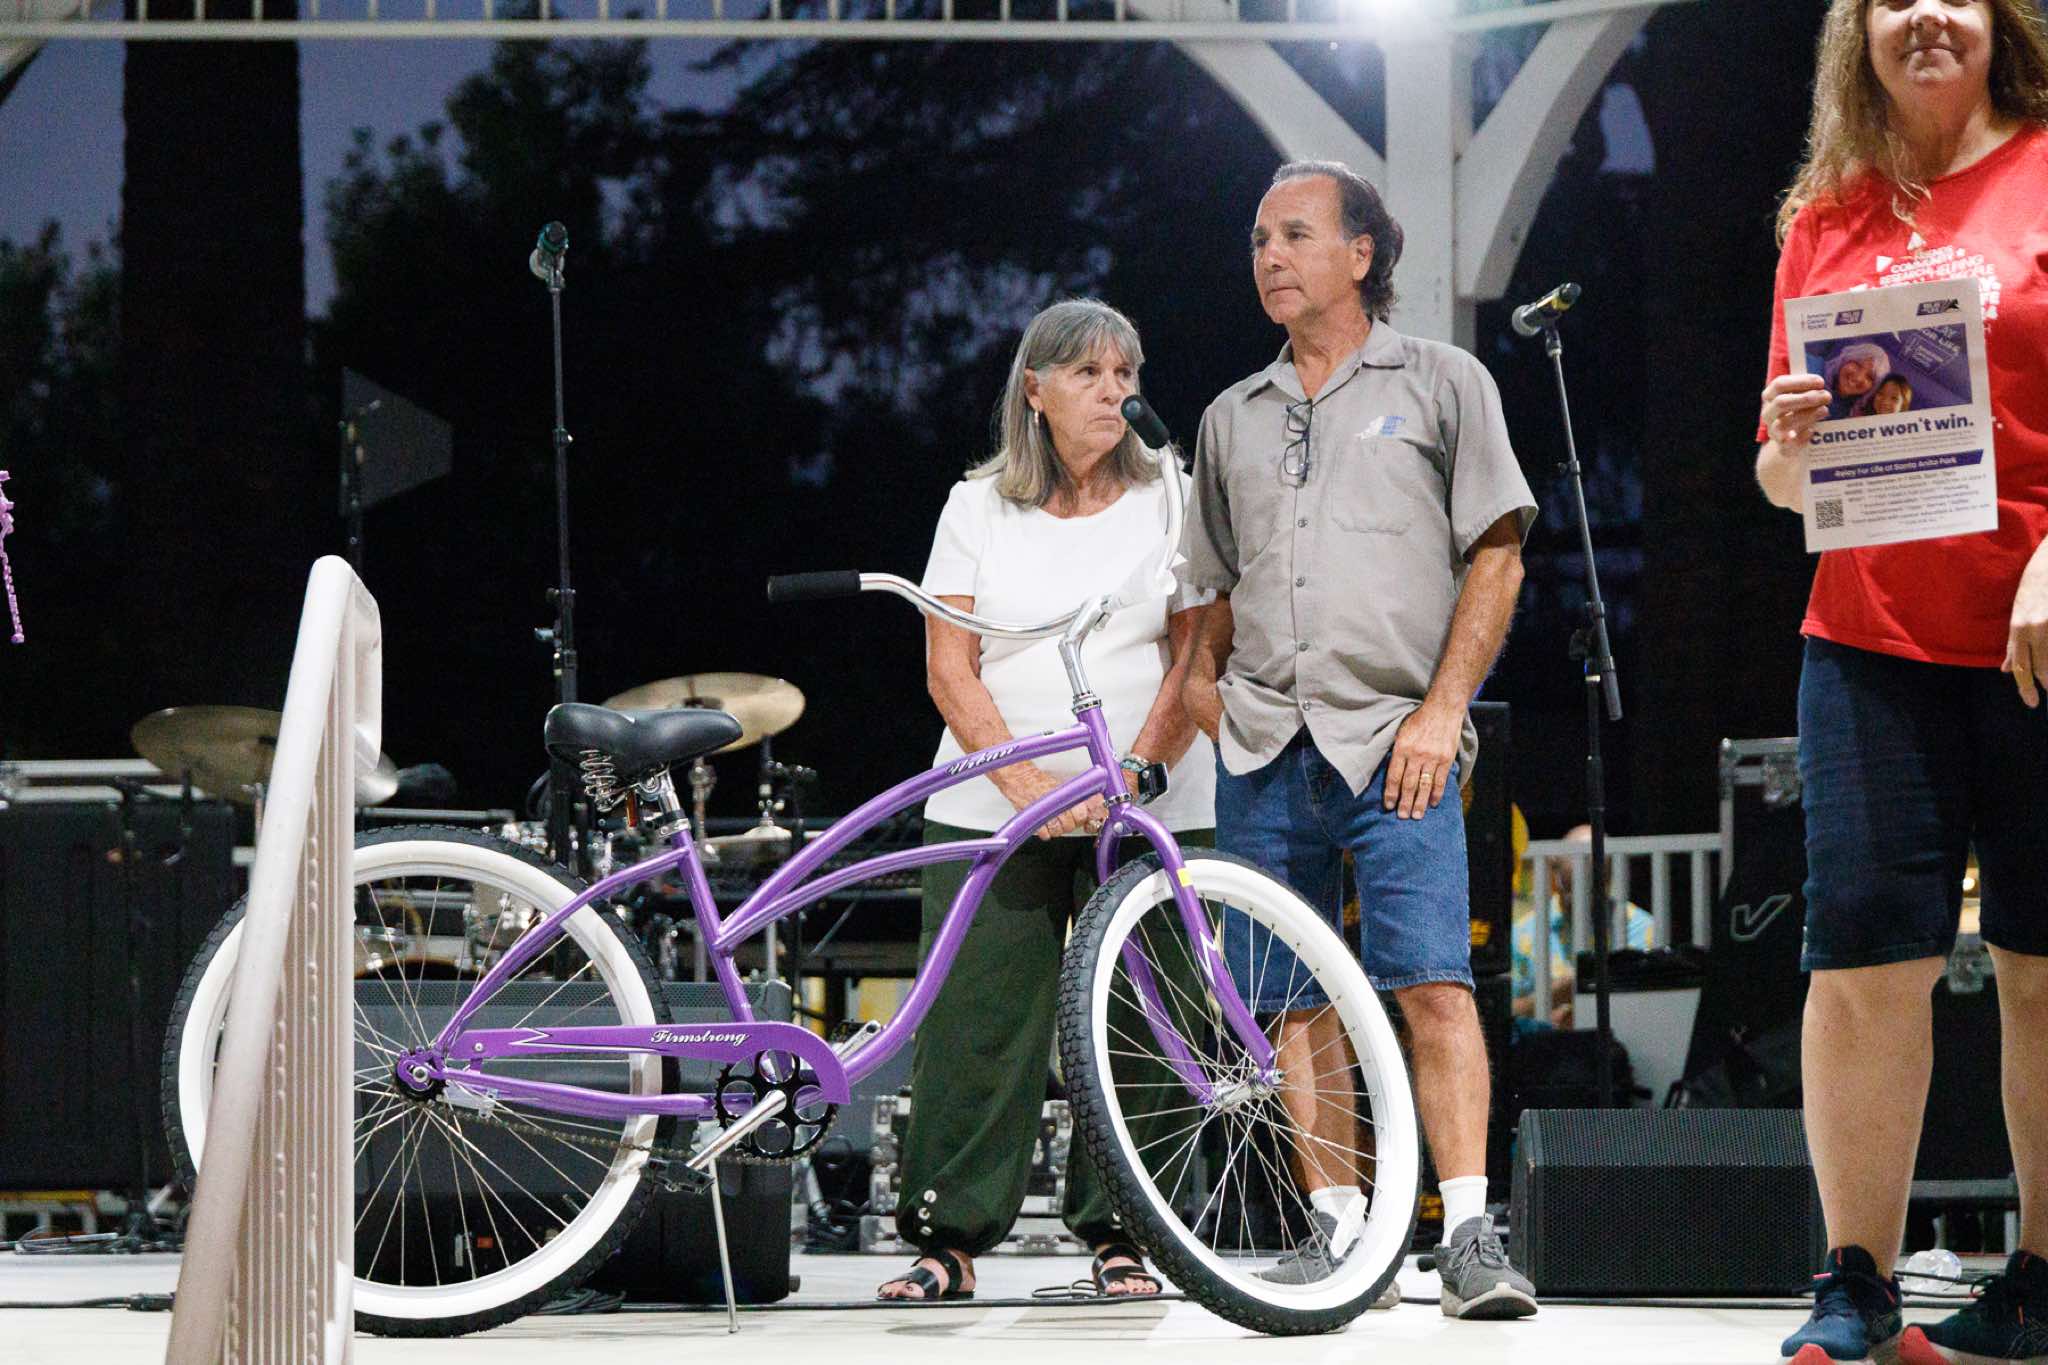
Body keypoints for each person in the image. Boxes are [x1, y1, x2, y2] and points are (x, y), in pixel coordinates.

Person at [1181, 159, 1540, 1320]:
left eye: (1294, 234)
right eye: (1257, 239)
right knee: (1287, 1000)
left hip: (1396, 739)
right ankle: (1341, 1230)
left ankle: (1469, 1233)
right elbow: (1206, 595)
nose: (1269, 256)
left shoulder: (1440, 381)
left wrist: (1442, 711)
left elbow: (1497, 554)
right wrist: (1210, 711)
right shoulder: (1229, 415)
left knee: (1431, 982)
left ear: (1361, 253)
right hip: (1260, 749)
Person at [1754, 2, 2048, 1361]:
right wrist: (1787, 447)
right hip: (1868, 639)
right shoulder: (1826, 214)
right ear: (1857, 33)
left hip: (2037, 634)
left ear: (1998, 22)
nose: (1923, 14)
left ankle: (2039, 1282)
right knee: (1865, 957)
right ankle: (1857, 1283)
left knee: (2042, 964)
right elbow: (1781, 478)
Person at [876, 298, 1216, 1303]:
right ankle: (949, 1237)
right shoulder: (976, 506)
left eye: (1125, 373)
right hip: (994, 803)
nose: (1113, 392)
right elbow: (949, 666)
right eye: (1087, 373)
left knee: (1147, 1019)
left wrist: (1136, 771)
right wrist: (1025, 784)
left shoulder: (1172, 495)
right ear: (1035, 390)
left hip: (1148, 797)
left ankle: (1127, 1236)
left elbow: (1198, 650)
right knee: (978, 1021)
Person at [1511, 823, 1656, 1029]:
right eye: (1570, 887)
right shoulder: (1524, 933)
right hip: (1546, 1046)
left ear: (1610, 875)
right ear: (1554, 869)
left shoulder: (1642, 929)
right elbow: (1502, 1011)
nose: (1582, 900)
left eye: (1594, 888)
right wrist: (1548, 1001)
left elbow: (1655, 1009)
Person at [1822, 341, 1892, 419]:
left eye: (1869, 377)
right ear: (1845, 360)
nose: (1858, 378)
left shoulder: (1851, 413)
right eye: (1857, 364)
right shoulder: (1813, 369)